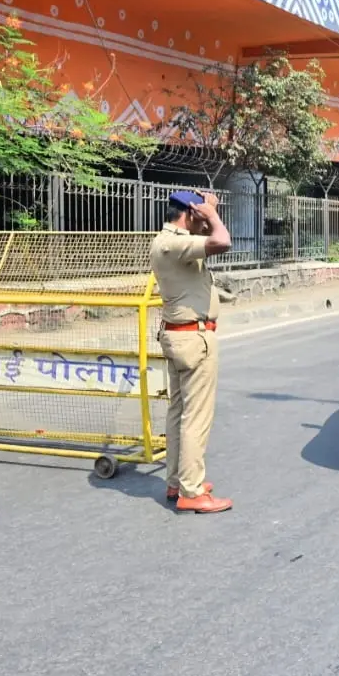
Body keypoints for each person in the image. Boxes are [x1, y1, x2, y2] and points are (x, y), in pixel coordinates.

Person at [152, 190, 234, 514]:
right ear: (189, 212)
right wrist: (211, 214)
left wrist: (205, 217)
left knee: (178, 412)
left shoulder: (172, 241)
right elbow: (222, 241)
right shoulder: (174, 244)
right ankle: (191, 490)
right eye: (197, 213)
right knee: (195, 417)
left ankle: (177, 481)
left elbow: (209, 240)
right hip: (193, 340)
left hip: (180, 337)